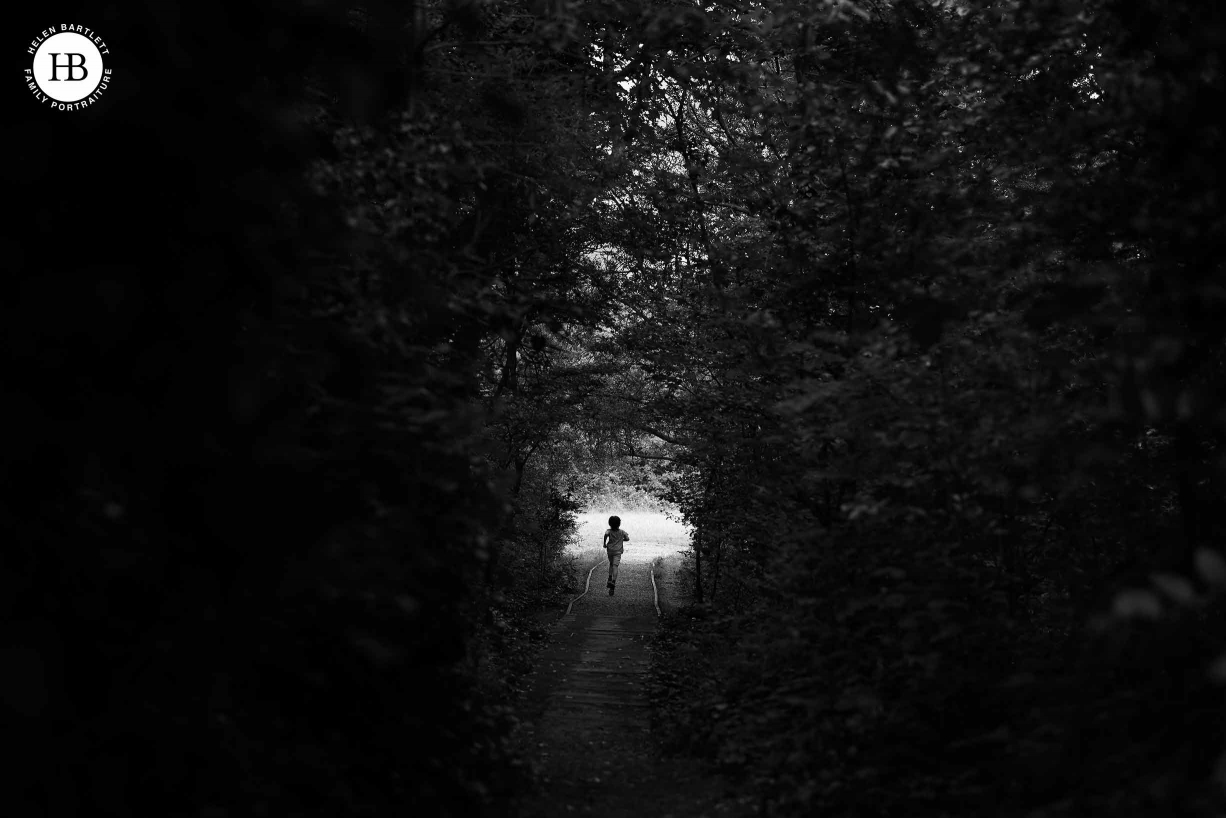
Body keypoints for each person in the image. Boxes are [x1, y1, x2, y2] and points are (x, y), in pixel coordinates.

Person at [603, 515, 629, 595]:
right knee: (615, 566)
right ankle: (613, 581)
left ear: (609, 523)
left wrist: (604, 543)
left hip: (610, 550)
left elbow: (606, 534)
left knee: (611, 564)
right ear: (619, 524)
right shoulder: (622, 532)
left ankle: (610, 577)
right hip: (618, 552)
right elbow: (627, 538)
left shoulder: (609, 531)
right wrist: (622, 539)